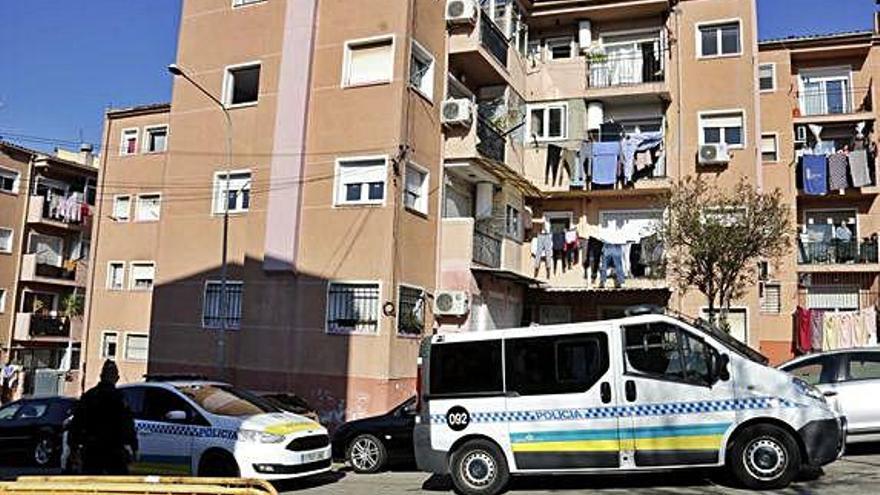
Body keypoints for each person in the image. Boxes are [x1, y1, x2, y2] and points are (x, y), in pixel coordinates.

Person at [68, 360, 138, 475]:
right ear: (117, 378)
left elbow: (76, 424)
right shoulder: (120, 398)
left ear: (101, 376)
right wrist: (134, 447)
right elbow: (128, 425)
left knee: (91, 484)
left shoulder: (90, 396)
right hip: (114, 449)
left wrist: (73, 448)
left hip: (92, 449)